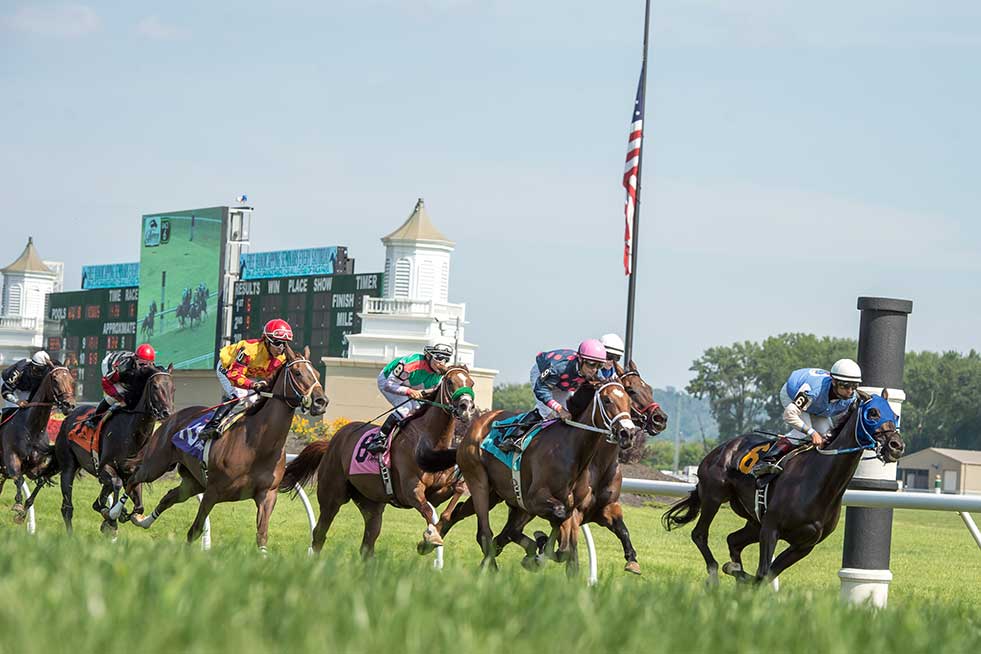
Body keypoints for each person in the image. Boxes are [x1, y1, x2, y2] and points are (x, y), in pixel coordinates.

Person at [751, 358, 862, 478]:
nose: (849, 391)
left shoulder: (852, 397)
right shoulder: (813, 390)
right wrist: (812, 432)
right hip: (792, 395)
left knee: (827, 436)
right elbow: (789, 415)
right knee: (802, 433)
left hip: (819, 405)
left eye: (854, 386)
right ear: (834, 382)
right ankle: (766, 461)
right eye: (845, 386)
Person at [496, 339, 608, 453]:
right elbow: (541, 390)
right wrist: (558, 408)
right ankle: (514, 438)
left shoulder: (595, 372)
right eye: (591, 364)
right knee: (547, 413)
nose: (594, 369)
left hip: (563, 384)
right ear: (580, 359)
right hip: (542, 379)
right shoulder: (560, 367)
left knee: (567, 416)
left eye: (599, 365)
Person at [197, 318, 292, 440]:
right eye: (278, 343)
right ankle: (211, 426)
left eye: (285, 343)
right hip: (228, 369)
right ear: (266, 340)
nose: (281, 348)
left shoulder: (281, 358)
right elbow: (235, 376)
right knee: (239, 394)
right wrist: (253, 385)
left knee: (256, 401)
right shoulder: (249, 350)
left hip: (247, 373)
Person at [364, 337, 454, 454]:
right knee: (405, 409)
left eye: (446, 359)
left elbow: (431, 391)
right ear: (428, 356)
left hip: (410, 385)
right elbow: (389, 385)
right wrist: (409, 391)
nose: (442, 363)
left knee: (419, 409)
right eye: (439, 357)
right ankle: (379, 439)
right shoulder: (412, 364)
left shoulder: (440, 373)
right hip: (389, 381)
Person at [84, 344, 157, 428]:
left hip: (125, 365)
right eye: (141, 365)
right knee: (120, 393)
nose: (144, 368)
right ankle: (94, 418)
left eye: (149, 365)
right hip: (109, 365)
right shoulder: (124, 368)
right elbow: (106, 382)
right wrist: (120, 398)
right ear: (135, 359)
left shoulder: (149, 367)